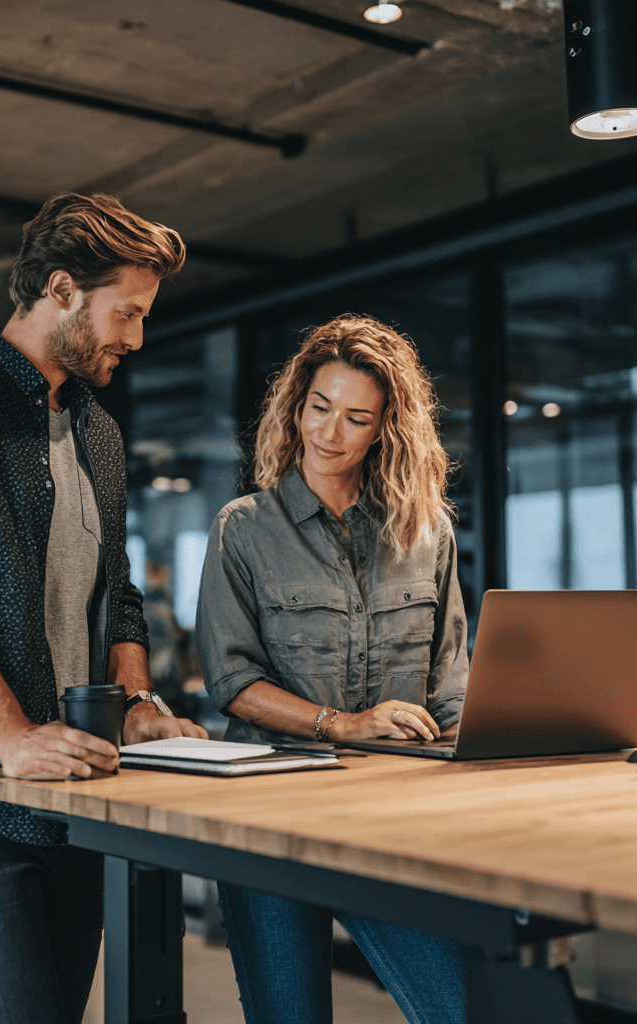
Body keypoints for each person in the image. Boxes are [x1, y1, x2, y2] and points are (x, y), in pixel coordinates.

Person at [0, 192, 207, 1024]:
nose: (137, 338)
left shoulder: (100, 433)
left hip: (76, 791)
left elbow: (118, 591)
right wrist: (13, 736)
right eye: (127, 313)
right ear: (62, 289)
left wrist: (135, 701)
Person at [195, 313, 474, 1024]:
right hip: (271, 816)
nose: (330, 432)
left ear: (385, 429)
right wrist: (343, 724)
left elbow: (450, 685)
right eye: (320, 407)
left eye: (356, 418)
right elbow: (233, 682)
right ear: (296, 407)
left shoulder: (427, 532)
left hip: (393, 817)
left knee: (461, 1009)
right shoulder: (243, 528)